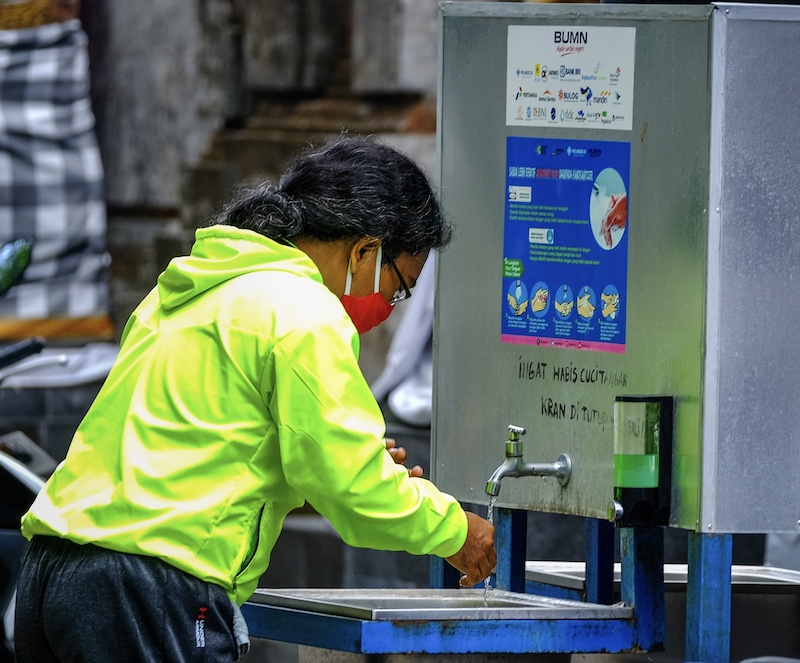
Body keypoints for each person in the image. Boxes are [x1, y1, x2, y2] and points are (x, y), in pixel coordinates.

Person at [13, 136, 497, 662]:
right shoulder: (303, 313)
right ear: (364, 250)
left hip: (51, 574)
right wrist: (455, 529)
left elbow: (206, 446)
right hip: (150, 588)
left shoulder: (194, 288)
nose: (391, 306)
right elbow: (354, 488)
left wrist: (337, 467)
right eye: (398, 287)